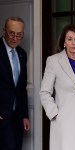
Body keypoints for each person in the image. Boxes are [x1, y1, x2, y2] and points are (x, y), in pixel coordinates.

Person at [0, 16, 30, 150]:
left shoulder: (22, 54)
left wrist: (24, 115)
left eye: (19, 35)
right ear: (4, 31)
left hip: (16, 117)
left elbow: (21, 89)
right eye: (12, 33)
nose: (15, 38)